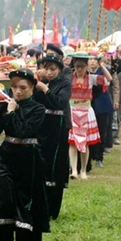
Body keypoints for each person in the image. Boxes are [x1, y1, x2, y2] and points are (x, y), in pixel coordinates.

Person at [0, 69, 48, 241]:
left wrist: (10, 113)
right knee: (4, 203)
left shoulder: (38, 109)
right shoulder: (7, 105)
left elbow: (23, 131)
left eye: (23, 87)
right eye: (14, 87)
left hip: (28, 161)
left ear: (31, 88)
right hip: (6, 158)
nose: (18, 91)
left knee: (27, 205)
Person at [35, 55, 71, 219]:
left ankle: (53, 210)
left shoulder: (64, 84)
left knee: (55, 165)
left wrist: (45, 89)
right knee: (41, 164)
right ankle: (40, 205)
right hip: (42, 127)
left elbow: (59, 102)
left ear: (59, 70)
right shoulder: (40, 82)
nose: (49, 73)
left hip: (57, 129)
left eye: (53, 69)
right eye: (46, 69)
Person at [68, 56, 110, 179]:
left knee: (85, 142)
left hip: (86, 110)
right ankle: (74, 170)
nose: (80, 69)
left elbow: (108, 79)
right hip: (73, 110)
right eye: (77, 66)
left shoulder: (91, 78)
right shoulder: (70, 78)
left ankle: (83, 171)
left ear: (86, 67)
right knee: (73, 143)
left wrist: (101, 65)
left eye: (82, 66)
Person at [88, 57, 114, 168]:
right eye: (90, 59)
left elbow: (109, 79)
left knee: (101, 131)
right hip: (88, 104)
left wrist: (101, 65)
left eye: (95, 59)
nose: (93, 61)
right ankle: (90, 155)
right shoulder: (83, 72)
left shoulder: (101, 71)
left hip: (102, 104)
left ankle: (99, 157)